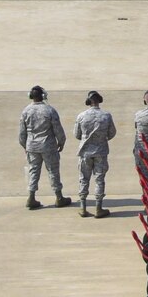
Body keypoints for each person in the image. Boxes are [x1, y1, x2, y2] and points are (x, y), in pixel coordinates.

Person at [19, 85, 69, 210]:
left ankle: (31, 197)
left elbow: (22, 133)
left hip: (32, 146)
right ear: (43, 96)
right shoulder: (49, 110)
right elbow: (58, 129)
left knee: (33, 171)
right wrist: (61, 142)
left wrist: (25, 145)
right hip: (48, 146)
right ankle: (59, 197)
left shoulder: (25, 111)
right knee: (53, 170)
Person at [74, 91, 117, 219]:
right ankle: (99, 208)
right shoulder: (106, 116)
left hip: (85, 152)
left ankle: (83, 207)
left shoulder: (81, 116)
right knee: (99, 179)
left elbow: (77, 134)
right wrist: (101, 140)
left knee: (83, 178)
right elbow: (112, 132)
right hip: (100, 151)